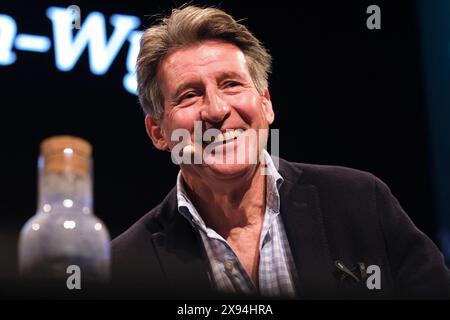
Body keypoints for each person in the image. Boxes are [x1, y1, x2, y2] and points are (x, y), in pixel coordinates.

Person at [111, 5, 450, 299]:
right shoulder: (124, 267)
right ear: (158, 132)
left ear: (266, 103)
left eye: (231, 83)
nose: (216, 110)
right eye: (188, 95)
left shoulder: (360, 201)